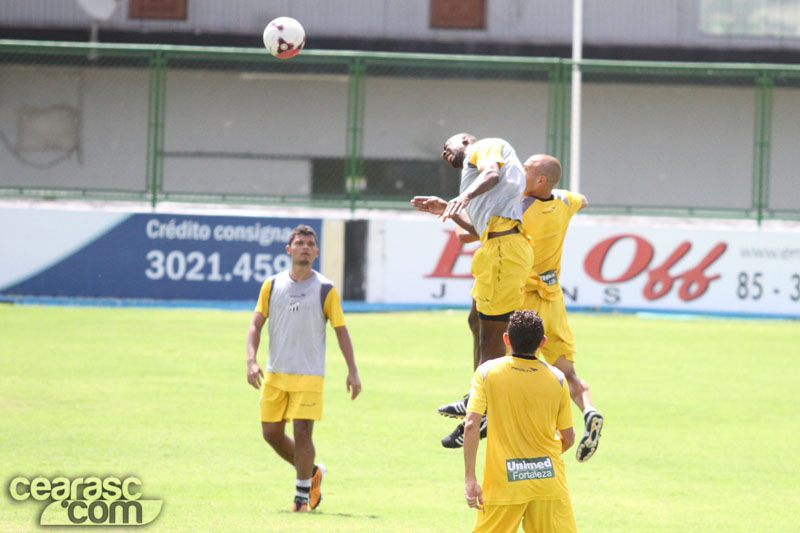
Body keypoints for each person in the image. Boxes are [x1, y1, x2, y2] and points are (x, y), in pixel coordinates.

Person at [439, 154, 604, 460]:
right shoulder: (565, 202)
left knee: (494, 355)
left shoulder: (518, 207)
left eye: (525, 169)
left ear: (540, 179)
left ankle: (476, 415)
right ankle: (590, 410)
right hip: (553, 299)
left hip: (522, 297)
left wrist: (444, 211)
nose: (518, 172)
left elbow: (468, 235)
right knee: (566, 372)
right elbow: (583, 198)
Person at [411, 133, 534, 448]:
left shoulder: (483, 148)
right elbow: (480, 227)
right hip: (497, 245)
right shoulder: (482, 175)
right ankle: (478, 399)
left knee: (491, 336)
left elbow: (491, 173)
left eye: (446, 146)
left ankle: (482, 411)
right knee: (476, 321)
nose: (444, 154)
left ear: (465, 140)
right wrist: (446, 209)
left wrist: (463, 197)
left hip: (504, 250)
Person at [246, 224, 362, 512]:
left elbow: (341, 331)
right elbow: (255, 325)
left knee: (303, 434)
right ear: (289, 249)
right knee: (270, 434)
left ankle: (301, 498)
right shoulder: (271, 285)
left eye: (310, 243)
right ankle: (312, 472)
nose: (305, 247)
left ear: (317, 251)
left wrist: (353, 371)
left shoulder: (325, 289)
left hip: (309, 375)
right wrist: (251, 359)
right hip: (275, 373)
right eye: (299, 242)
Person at [463, 310, 577, 533]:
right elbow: (569, 438)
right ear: (542, 342)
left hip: (503, 484)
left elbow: (471, 424)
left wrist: (470, 478)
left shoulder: (487, 372)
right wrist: (537, 463)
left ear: (506, 339)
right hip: (548, 481)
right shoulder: (558, 378)